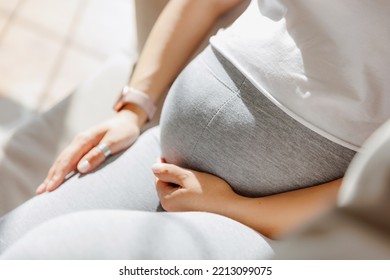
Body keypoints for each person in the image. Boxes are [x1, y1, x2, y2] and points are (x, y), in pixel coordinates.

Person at [0, 0, 388, 259]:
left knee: (45, 256)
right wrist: (135, 107)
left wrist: (234, 207)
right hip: (163, 161)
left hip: (267, 229)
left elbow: (377, 197)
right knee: (8, 245)